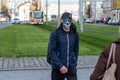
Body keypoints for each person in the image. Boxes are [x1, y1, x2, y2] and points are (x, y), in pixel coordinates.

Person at [49, 12, 79, 80]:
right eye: (65, 20)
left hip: (71, 66)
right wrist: (60, 66)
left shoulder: (75, 34)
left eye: (69, 20)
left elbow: (76, 50)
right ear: (62, 21)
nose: (67, 22)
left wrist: (74, 62)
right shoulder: (55, 33)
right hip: (58, 68)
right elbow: (52, 51)